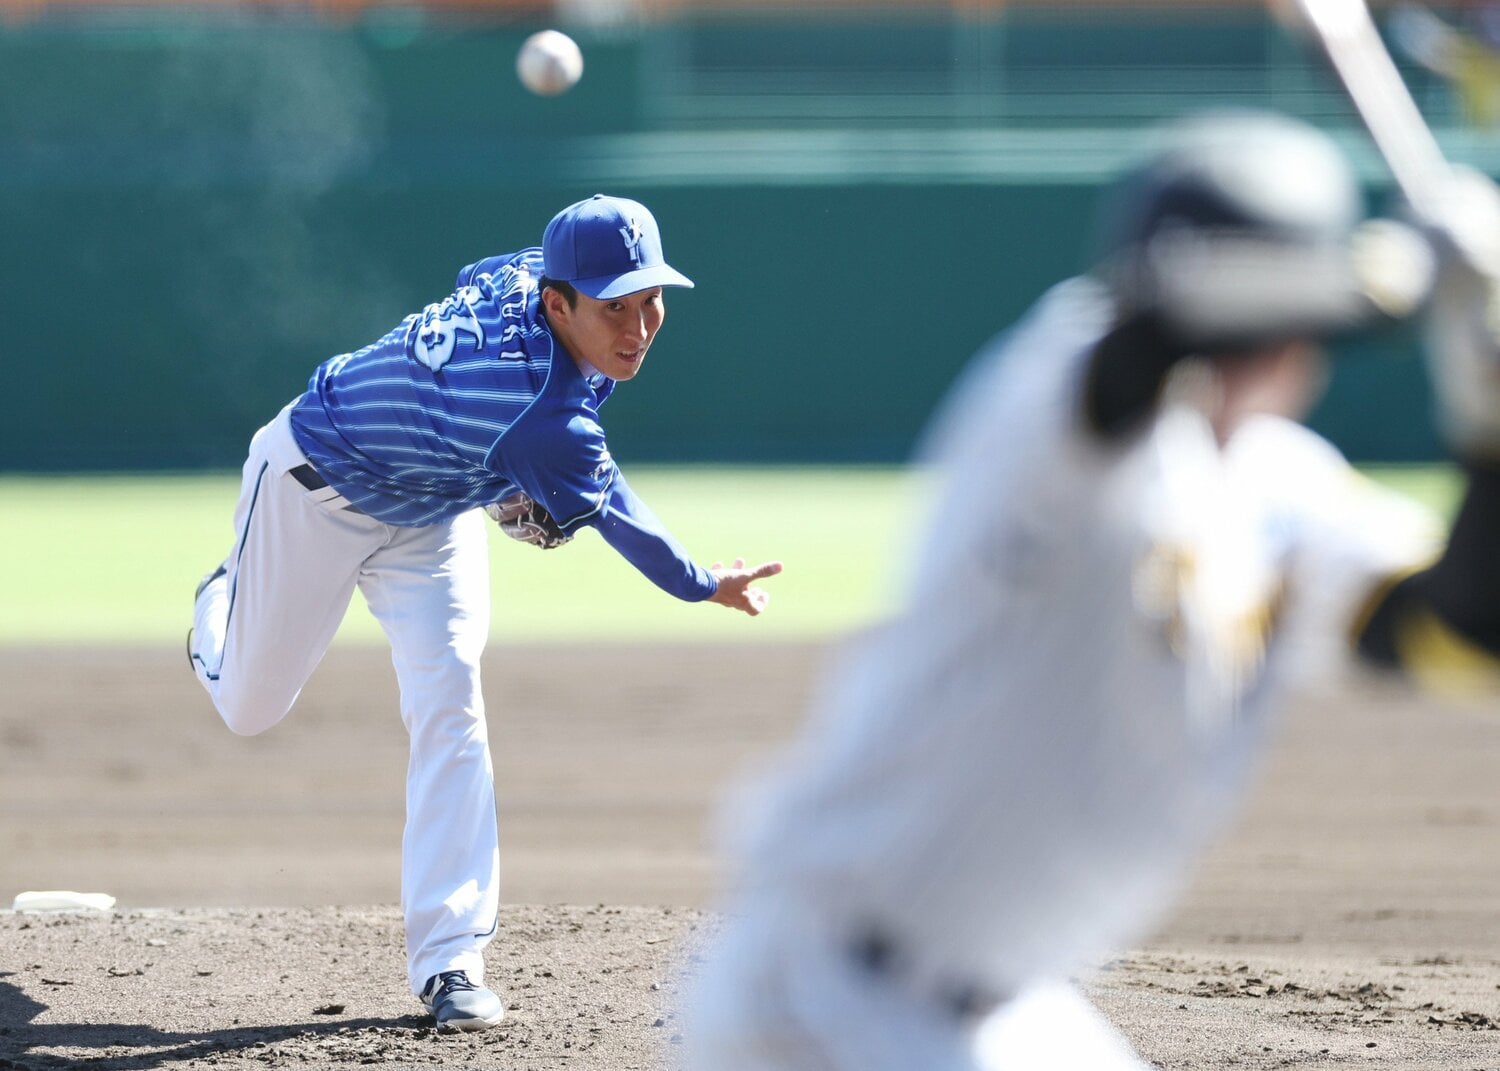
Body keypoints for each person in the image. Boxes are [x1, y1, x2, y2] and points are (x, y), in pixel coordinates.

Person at [683, 111, 1500, 1070]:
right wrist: (1397, 274)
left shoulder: (1287, 492)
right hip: (824, 996)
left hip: (1006, 1006)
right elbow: (1171, 316)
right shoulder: (1059, 400)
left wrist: (1485, 434)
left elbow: (1460, 633)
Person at [186, 193, 782, 1033]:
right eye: (615, 306)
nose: (640, 324)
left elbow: (474, 281)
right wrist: (702, 582)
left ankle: (450, 960)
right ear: (556, 301)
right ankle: (224, 597)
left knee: (450, 700)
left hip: (430, 514)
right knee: (249, 706)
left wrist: (485, 466)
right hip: (311, 489)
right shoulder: (544, 418)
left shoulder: (522, 273)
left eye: (652, 300)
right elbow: (626, 526)